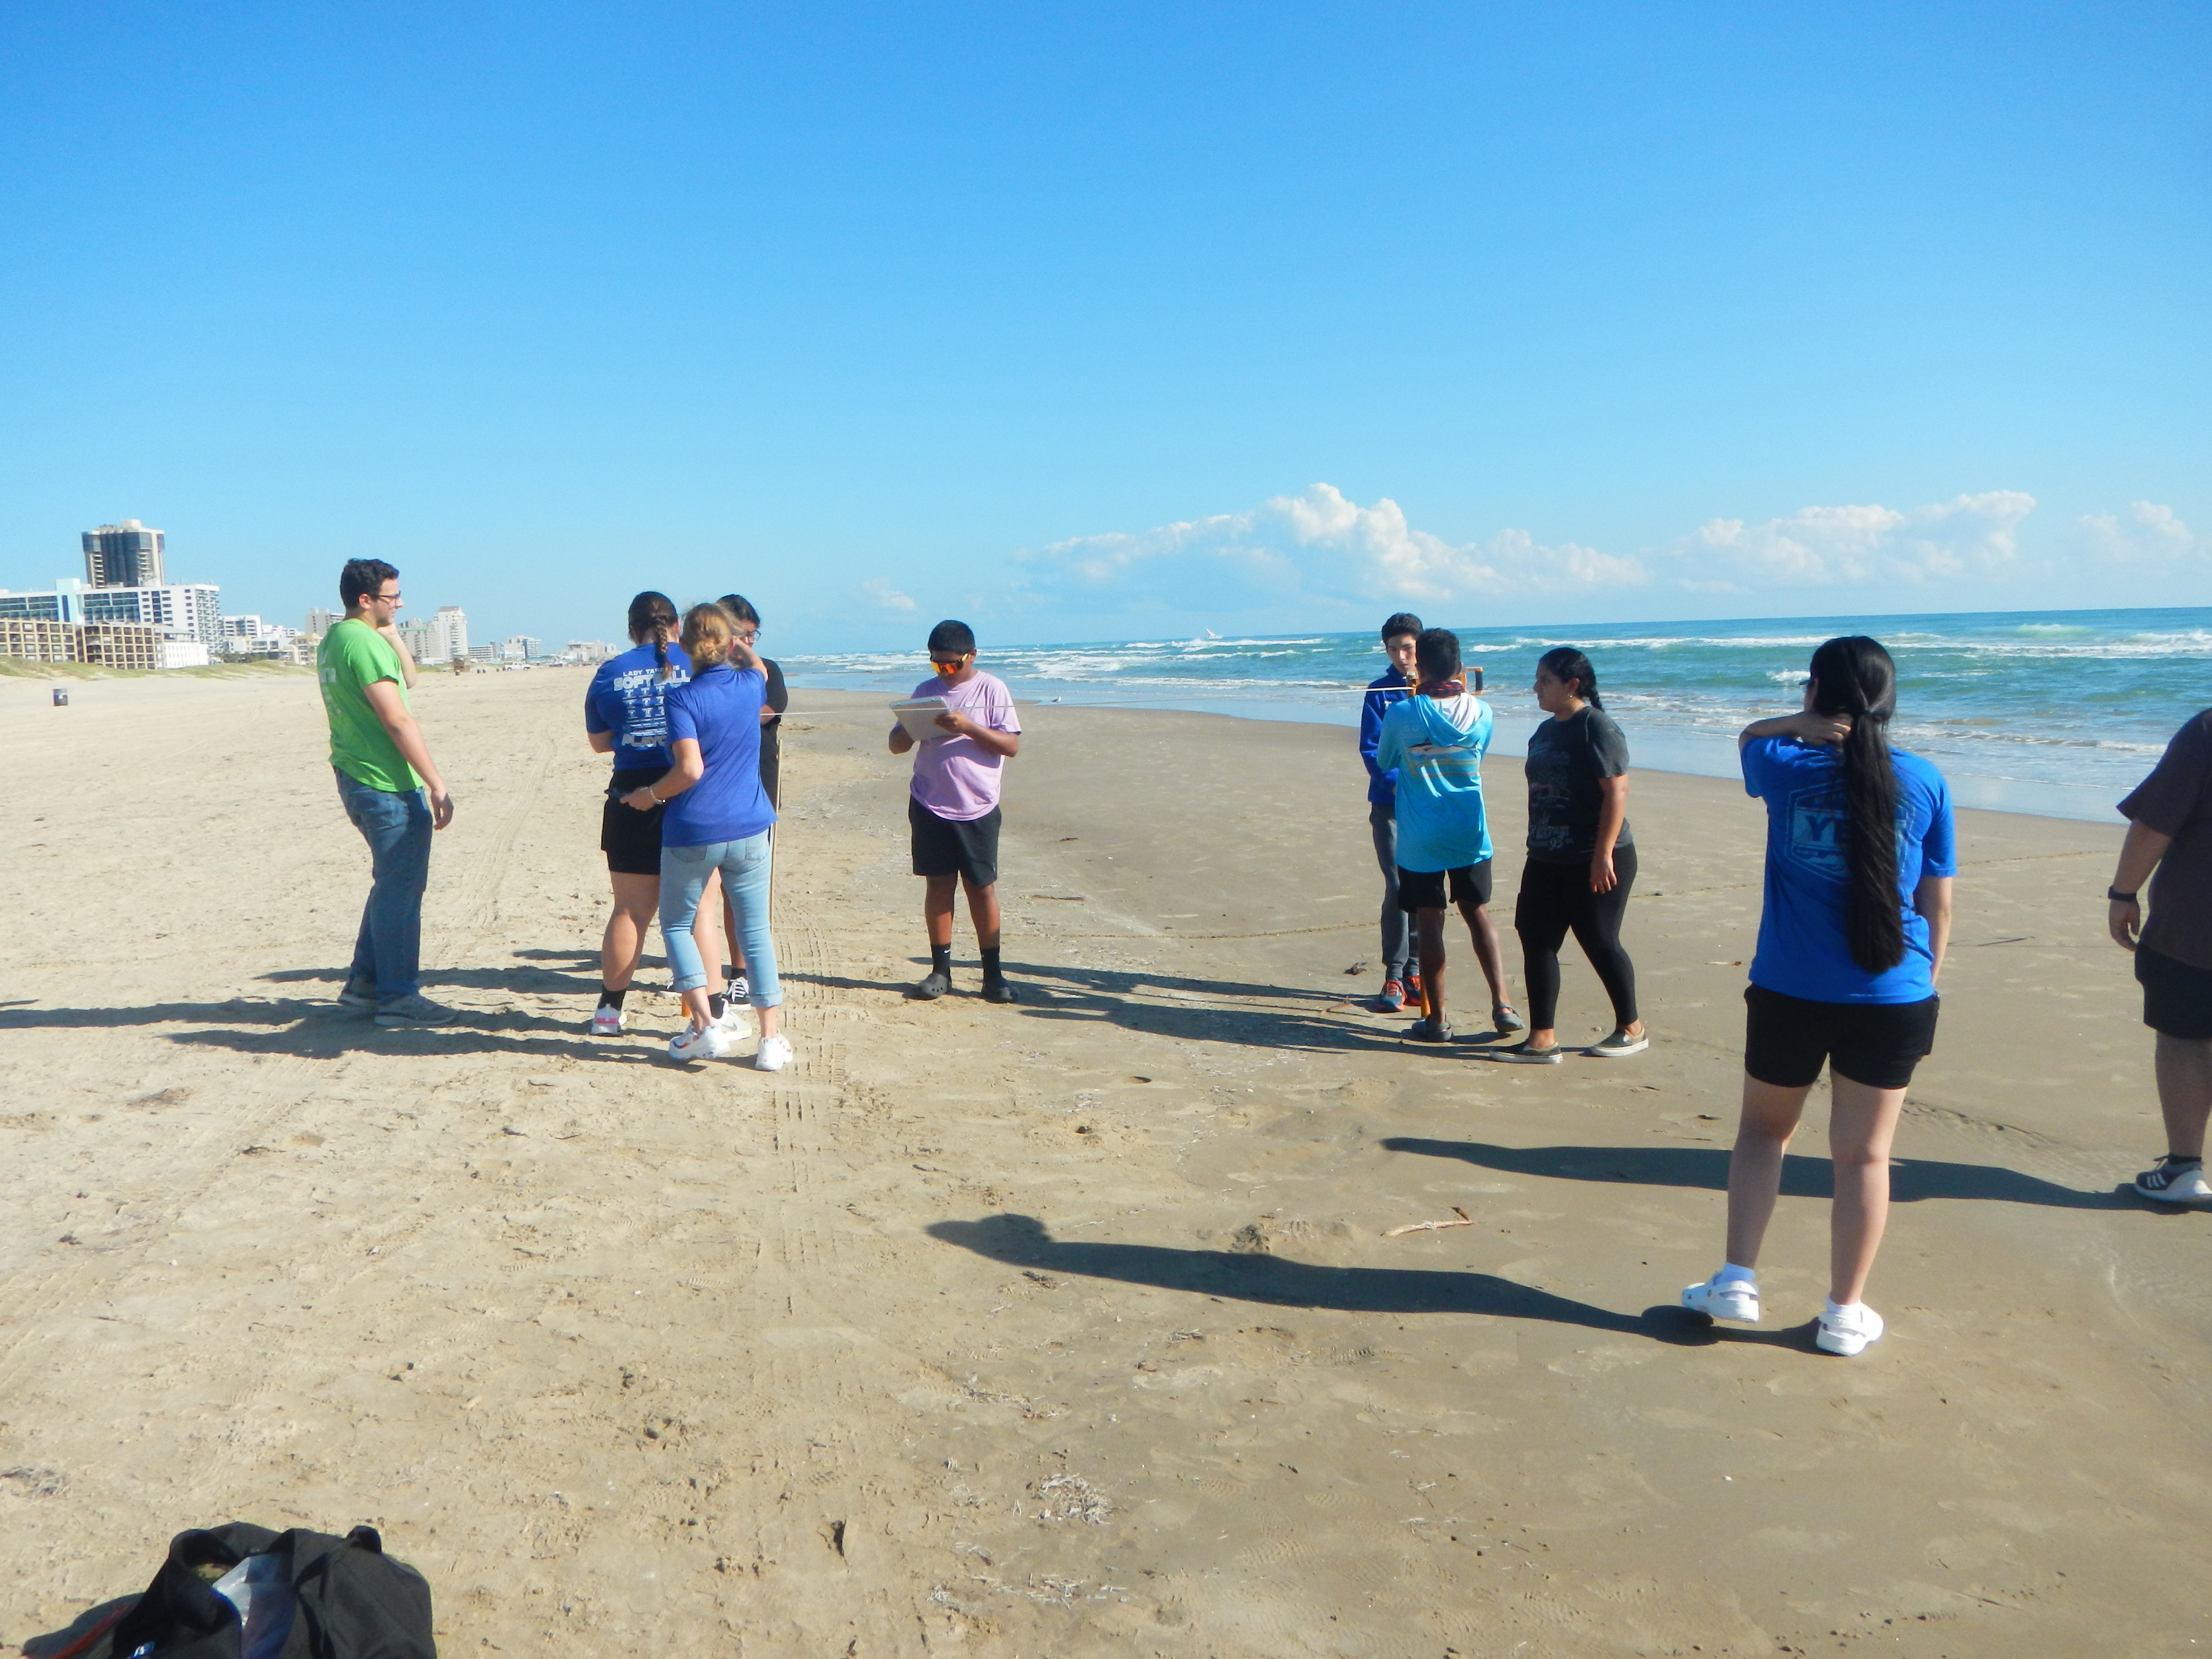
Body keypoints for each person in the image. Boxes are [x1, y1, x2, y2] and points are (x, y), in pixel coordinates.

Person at [1683, 637, 1954, 1358]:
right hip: (1895, 991)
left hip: (1791, 988)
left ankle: (1737, 1278)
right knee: (1865, 1159)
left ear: (1814, 694)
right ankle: (1844, 1312)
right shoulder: (1924, 780)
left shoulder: (1781, 764)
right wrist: (1927, 984)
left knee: (1764, 1133)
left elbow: (1746, 737)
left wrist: (1790, 726)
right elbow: (1937, 902)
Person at [624, 603, 789, 1069]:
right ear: (729, 641)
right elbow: (758, 667)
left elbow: (689, 769)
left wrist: (650, 796)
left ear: (685, 646)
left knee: (678, 924)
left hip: (694, 826)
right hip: (751, 824)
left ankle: (705, 1026)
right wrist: (741, 648)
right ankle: (770, 1039)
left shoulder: (681, 697)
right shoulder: (750, 682)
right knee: (755, 931)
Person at [319, 559, 457, 1027]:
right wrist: (436, 783)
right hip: (384, 782)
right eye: (391, 597)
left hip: (357, 775)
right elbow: (397, 719)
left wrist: (393, 629)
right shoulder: (360, 642)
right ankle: (398, 997)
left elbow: (409, 679)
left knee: (391, 885)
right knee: (401, 890)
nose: (399, 603)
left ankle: (365, 985)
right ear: (366, 599)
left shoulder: (341, 638)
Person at [1492, 647, 1645, 1063]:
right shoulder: (1544, 732)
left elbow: (1617, 792)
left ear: (1572, 685)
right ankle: (1542, 1040)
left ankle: (1632, 1028)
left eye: (1545, 680)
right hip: (1544, 855)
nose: (1536, 687)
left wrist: (1603, 855)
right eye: (1537, 679)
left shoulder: (1595, 727)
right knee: (1536, 936)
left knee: (1599, 939)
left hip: (1595, 855)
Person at [581, 591, 723, 1036]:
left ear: (631, 629)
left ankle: (609, 1011)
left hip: (631, 796)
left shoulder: (611, 671)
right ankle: (708, 1011)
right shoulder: (696, 662)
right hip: (690, 795)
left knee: (629, 911)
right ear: (676, 626)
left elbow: (601, 742)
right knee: (699, 909)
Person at [1373, 628, 1520, 1043]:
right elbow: (1478, 753)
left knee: (1431, 921)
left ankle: (1437, 1019)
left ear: (1418, 666)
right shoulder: (1483, 711)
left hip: (1421, 835)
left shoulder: (1404, 713)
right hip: (1468, 830)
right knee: (1478, 912)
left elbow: (1386, 759)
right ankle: (1502, 1003)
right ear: (1459, 667)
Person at [2106, 707, 2212, 1203]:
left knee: (2185, 1038)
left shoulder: (2208, 730)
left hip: (2196, 928)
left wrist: (2123, 892)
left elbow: (2156, 823)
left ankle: (2184, 1169)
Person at [889, 619, 1022, 1003]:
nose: (945, 672)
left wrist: (967, 726)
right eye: (937, 665)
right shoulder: (925, 692)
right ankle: (940, 970)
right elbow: (896, 745)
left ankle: (992, 974)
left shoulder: (991, 689)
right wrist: (912, 727)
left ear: (972, 656)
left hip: (977, 804)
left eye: (952, 665)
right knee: (938, 884)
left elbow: (1009, 746)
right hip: (930, 802)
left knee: (981, 888)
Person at [715, 593, 788, 1006]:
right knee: (705, 884)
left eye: (754, 636)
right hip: (709, 786)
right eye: (742, 636)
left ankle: (741, 972)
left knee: (745, 889)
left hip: (757, 786)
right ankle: (704, 969)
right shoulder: (701, 673)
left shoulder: (767, 672)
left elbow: (763, 712)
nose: (749, 644)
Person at [1359, 613, 1425, 1013]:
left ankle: (1417, 969)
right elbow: (1372, 750)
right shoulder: (1380, 691)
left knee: (1425, 885)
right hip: (1391, 804)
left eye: (1409, 648)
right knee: (1398, 885)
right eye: (1395, 649)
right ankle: (1395, 973)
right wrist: (1400, 780)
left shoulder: (1434, 690)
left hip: (1430, 807)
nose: (1403, 656)